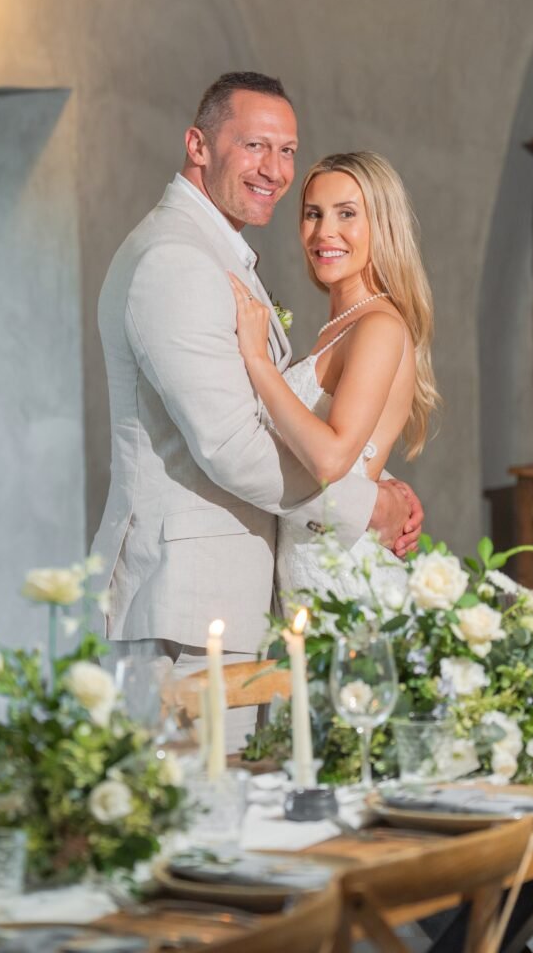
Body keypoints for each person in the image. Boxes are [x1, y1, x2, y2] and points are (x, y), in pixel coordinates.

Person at [91, 72, 423, 747]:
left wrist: (363, 482)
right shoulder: (178, 261)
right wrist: (368, 506)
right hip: (184, 609)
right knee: (187, 825)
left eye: (285, 150)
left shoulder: (217, 255)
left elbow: (303, 435)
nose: (273, 170)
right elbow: (232, 447)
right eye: (253, 146)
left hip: (244, 599)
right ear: (198, 145)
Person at [230, 151, 438, 602]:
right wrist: (381, 491)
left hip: (343, 578)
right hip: (309, 567)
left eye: (347, 214)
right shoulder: (340, 326)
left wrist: (258, 361)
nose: (325, 232)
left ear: (382, 225)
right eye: (313, 214)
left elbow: (329, 460)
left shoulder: (378, 326)